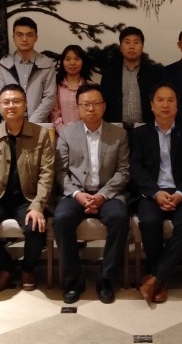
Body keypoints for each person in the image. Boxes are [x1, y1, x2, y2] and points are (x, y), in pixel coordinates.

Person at [0, 84, 55, 293]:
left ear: (25, 105)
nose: (11, 106)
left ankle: (27, 269)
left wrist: (38, 206)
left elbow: (47, 174)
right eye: (6, 102)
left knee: (35, 227)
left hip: (28, 198)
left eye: (16, 101)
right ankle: (6, 268)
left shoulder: (41, 134)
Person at [54, 82, 130, 304]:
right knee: (61, 218)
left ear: (104, 106)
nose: (91, 108)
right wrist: (77, 194)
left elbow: (124, 171)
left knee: (119, 217)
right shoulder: (67, 134)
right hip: (76, 193)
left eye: (96, 103)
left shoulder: (119, 134)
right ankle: (74, 279)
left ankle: (106, 278)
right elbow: (60, 172)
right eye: (85, 104)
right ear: (77, 107)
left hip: (108, 194)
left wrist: (102, 195)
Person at [131, 84, 182, 304]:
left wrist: (180, 193)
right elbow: (136, 168)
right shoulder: (140, 134)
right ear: (151, 105)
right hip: (152, 193)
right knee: (149, 221)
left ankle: (154, 277)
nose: (165, 105)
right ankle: (160, 279)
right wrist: (155, 193)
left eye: (171, 100)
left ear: (177, 105)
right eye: (160, 100)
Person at [0, 17, 57, 123]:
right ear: (13, 37)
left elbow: (49, 98)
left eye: (29, 35)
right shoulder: (3, 65)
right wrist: (15, 121)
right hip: (11, 124)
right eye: (19, 35)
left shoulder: (46, 64)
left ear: (36, 38)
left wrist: (31, 123)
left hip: (38, 124)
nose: (24, 39)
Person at [100, 26, 163, 129]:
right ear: (121, 47)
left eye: (136, 42)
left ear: (142, 47)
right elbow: (103, 103)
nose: (131, 46)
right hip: (116, 129)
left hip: (146, 129)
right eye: (127, 42)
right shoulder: (109, 74)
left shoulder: (154, 73)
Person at [51, 44, 92, 134]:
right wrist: (65, 133)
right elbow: (54, 114)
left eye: (77, 59)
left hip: (86, 135)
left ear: (83, 61)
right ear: (62, 62)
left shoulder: (90, 86)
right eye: (68, 59)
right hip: (62, 136)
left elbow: (93, 113)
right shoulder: (55, 86)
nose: (72, 63)